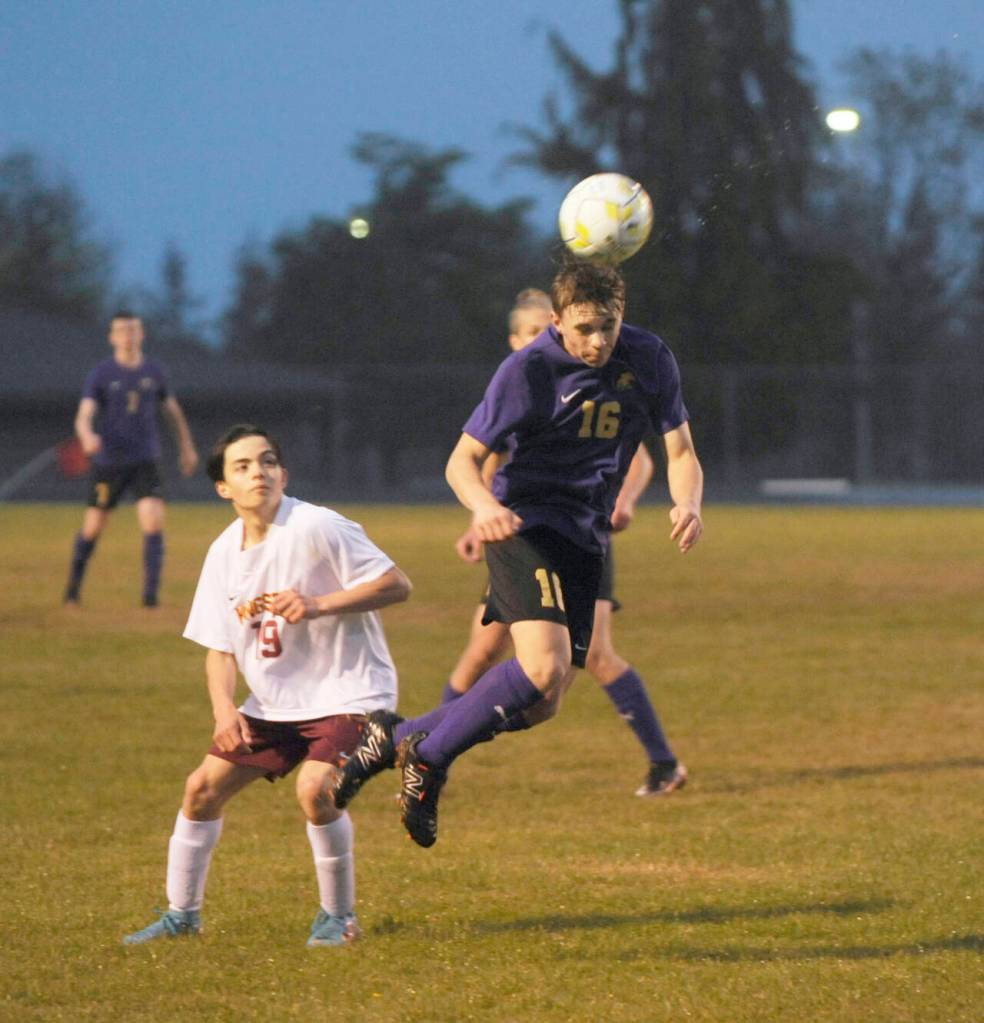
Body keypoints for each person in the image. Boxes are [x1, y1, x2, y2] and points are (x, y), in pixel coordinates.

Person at [332, 259, 703, 847]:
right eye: (583, 329)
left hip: (586, 537)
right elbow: (461, 461)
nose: (598, 340)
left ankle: (394, 737)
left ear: (622, 315)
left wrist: (688, 504)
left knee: (542, 704)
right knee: (542, 666)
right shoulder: (527, 369)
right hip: (522, 526)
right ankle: (428, 761)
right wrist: (483, 508)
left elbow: (679, 451)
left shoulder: (649, 357)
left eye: (607, 325)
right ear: (556, 321)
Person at [122, 424, 411, 947]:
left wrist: (319, 603)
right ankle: (182, 917)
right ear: (223, 488)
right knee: (200, 790)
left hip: (350, 691)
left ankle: (338, 918)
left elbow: (397, 584)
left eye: (269, 461)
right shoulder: (222, 553)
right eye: (244, 466)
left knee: (315, 792)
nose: (260, 472)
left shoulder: (317, 526)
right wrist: (223, 711)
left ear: (283, 473)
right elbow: (220, 647)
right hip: (276, 702)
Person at [444, 288, 687, 798]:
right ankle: (434, 751)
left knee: (594, 654)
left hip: (581, 529)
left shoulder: (594, 383)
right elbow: (487, 466)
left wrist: (627, 500)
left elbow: (640, 456)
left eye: (545, 331)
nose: (544, 342)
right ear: (516, 340)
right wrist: (478, 521)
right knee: (484, 649)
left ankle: (663, 762)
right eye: (531, 334)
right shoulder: (523, 383)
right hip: (521, 532)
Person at [63, 311, 199, 608]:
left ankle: (150, 598)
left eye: (133, 329)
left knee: (153, 522)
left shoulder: (154, 372)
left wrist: (186, 446)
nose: (128, 335)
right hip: (109, 463)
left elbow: (172, 411)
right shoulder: (101, 374)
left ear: (142, 334)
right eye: (122, 330)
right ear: (112, 337)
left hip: (145, 460)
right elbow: (84, 415)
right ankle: (72, 589)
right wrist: (86, 435)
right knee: (93, 527)